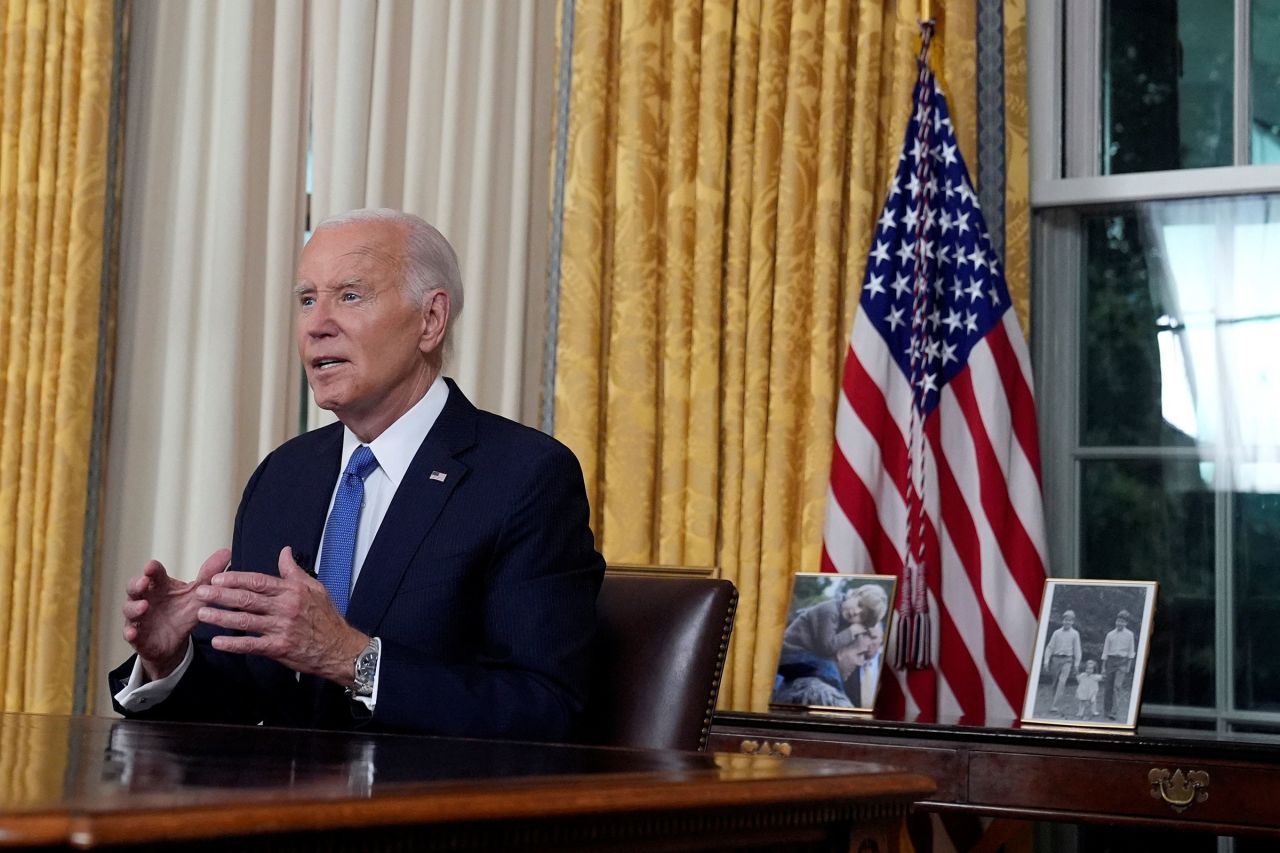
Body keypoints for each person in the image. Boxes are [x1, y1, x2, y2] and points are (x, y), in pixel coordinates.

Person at [109, 209, 605, 740]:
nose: (318, 324)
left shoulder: (523, 476)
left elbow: (547, 709)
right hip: (272, 809)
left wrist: (354, 660)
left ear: (430, 320)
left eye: (349, 296)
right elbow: (249, 695)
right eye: (306, 299)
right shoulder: (285, 474)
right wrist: (172, 661)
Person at [1101, 609, 1136, 720]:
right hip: (1111, 661)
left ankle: (1114, 712)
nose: (1119, 623)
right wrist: (1103, 667)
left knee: (1117, 686)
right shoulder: (1110, 634)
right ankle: (1107, 710)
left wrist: (1128, 666)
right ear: (1116, 621)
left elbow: (1131, 651)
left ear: (1126, 623)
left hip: (1123, 662)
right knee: (1108, 687)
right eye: (1118, 621)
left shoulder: (1130, 635)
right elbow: (1105, 651)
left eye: (1122, 621)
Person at [1043, 609, 1081, 715]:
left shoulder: (1075, 634)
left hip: (1067, 660)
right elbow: (1050, 647)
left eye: (1069, 620)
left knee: (1062, 682)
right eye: (1065, 620)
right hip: (1056, 659)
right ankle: (1053, 701)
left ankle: (1055, 705)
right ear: (1062, 621)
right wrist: (1046, 661)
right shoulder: (1057, 633)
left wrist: (1076, 664)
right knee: (1054, 683)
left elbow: (1077, 650)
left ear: (1073, 622)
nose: (1067, 622)